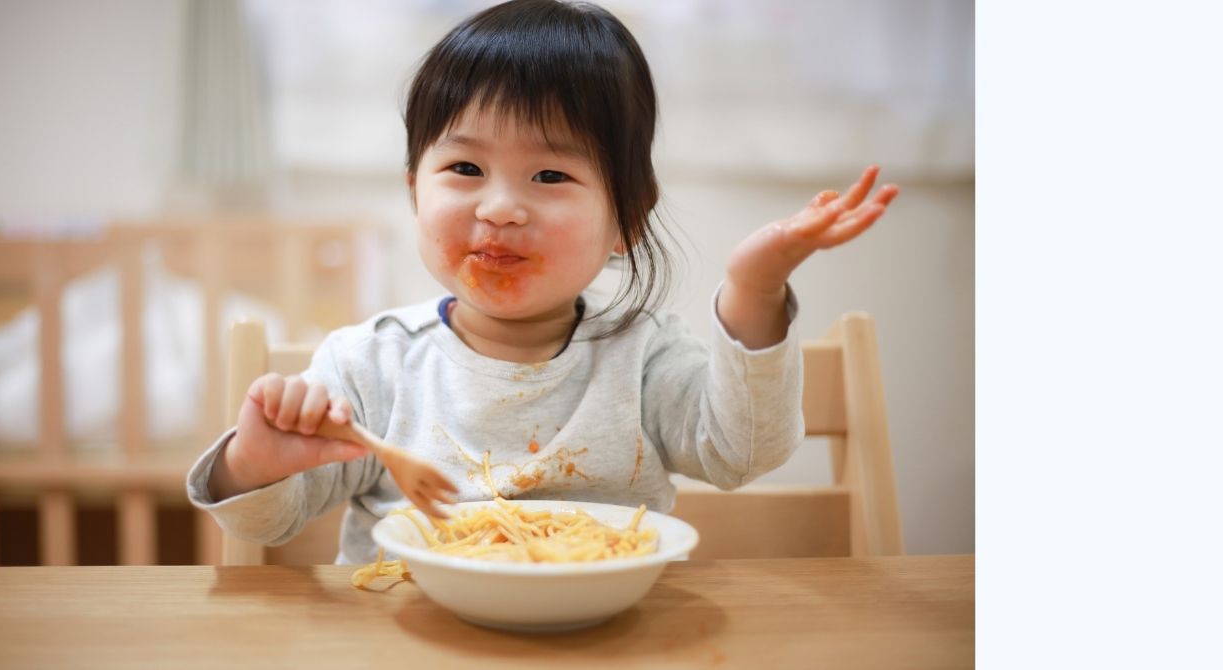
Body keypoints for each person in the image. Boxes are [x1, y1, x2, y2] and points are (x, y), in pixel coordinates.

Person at [187, 0, 898, 564]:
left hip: (613, 638)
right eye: (464, 169)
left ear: (625, 220)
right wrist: (254, 464)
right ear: (415, 192)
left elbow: (742, 453)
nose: (499, 207)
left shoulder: (644, 358)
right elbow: (270, 524)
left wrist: (755, 287)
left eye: (551, 175)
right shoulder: (369, 367)